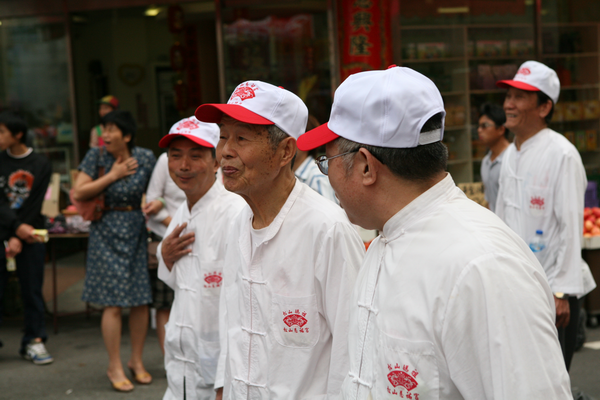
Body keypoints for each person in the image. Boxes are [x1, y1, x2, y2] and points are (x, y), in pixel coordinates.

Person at [297, 66, 572, 399]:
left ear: (366, 166)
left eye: (327, 161)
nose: (327, 176)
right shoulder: (388, 238)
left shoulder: (483, 267)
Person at [195, 81, 364, 399]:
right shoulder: (237, 223)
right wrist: (223, 387)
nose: (226, 151)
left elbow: (353, 350)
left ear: (286, 151)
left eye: (241, 138)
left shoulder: (327, 230)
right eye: (223, 137)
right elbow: (232, 323)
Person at [495, 60, 596, 370]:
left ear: (544, 107)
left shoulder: (562, 154)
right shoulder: (510, 154)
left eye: (519, 97)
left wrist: (561, 291)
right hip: (517, 286)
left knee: (551, 379)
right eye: (508, 96)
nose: (508, 104)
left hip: (553, 292)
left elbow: (570, 227)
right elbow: (501, 221)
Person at [156, 116, 246, 400]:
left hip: (219, 374)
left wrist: (224, 382)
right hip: (180, 366)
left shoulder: (234, 213)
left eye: (195, 156)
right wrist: (164, 255)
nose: (183, 166)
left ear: (216, 161)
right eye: (175, 156)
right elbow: (177, 282)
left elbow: (243, 306)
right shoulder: (182, 213)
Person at [72, 110, 156, 392]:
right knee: (113, 302)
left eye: (111, 129)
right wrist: (113, 175)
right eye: (103, 129)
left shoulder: (145, 157)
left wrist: (157, 204)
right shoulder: (95, 157)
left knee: (141, 299)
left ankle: (136, 361)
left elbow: (159, 189)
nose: (105, 135)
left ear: (127, 135)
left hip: (135, 229)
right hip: (105, 229)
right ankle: (114, 365)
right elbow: (79, 192)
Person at [0, 111, 53, 365]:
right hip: (6, 231)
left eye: (1, 132)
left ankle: (34, 340)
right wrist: (14, 228)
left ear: (18, 134)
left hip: (31, 234)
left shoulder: (41, 163)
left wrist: (20, 233)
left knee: (32, 289)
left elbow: (36, 202)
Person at [143, 147, 186, 355]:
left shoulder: (213, 155)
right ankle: (169, 358)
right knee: (165, 303)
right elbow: (152, 201)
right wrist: (179, 227)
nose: (184, 164)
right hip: (168, 236)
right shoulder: (164, 160)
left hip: (200, 236)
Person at [292, 114, 337, 203]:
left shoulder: (316, 178)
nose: (288, 142)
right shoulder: (295, 174)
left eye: (293, 136)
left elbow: (328, 210)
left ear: (307, 141)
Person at [477, 103, 509, 212]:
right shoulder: (485, 162)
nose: (479, 130)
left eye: (485, 125)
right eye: (479, 126)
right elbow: (489, 200)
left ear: (501, 129)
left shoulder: (512, 159)